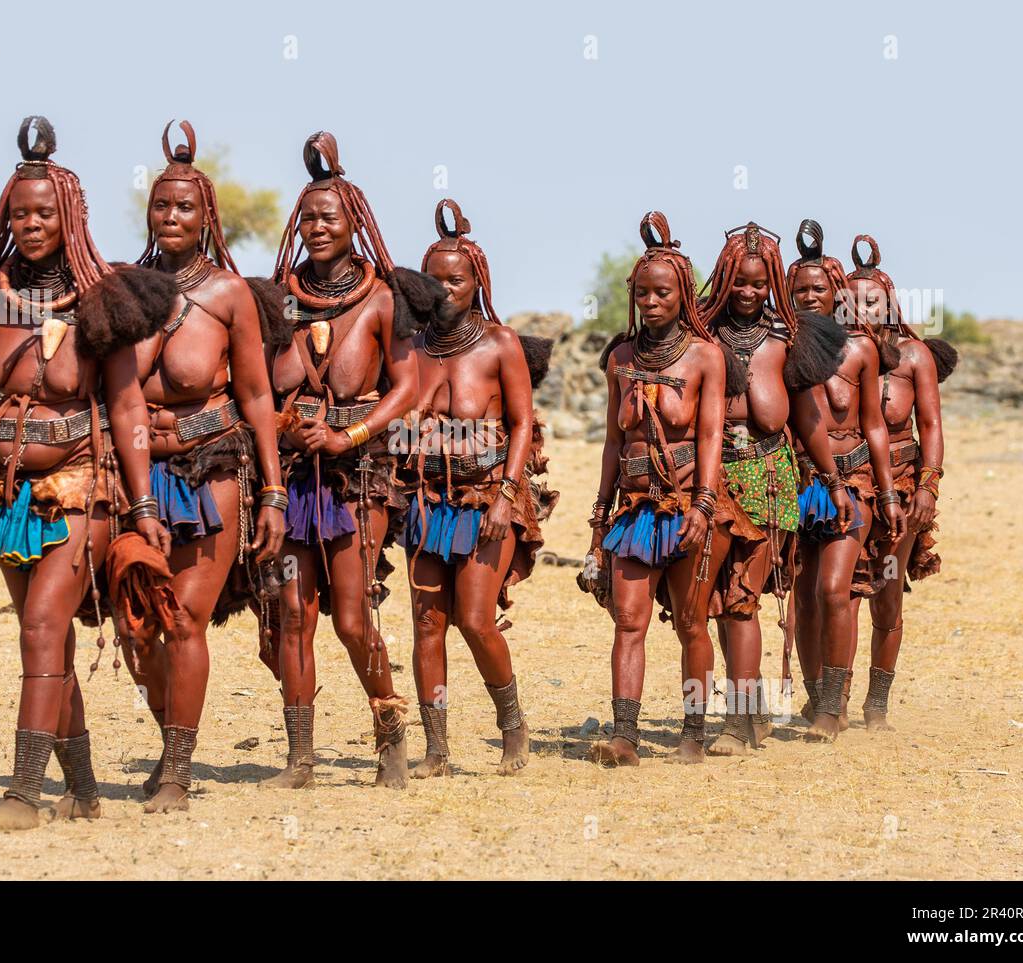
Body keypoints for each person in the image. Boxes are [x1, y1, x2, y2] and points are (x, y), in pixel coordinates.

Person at [0, 117, 172, 829]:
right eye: (18, 213)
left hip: (81, 489)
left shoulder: (104, 302)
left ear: (70, 217)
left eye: (43, 213)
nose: (29, 224)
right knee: (43, 634)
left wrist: (144, 509)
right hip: (5, 499)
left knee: (44, 624)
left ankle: (23, 792)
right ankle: (81, 789)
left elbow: (126, 409)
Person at [262, 132, 442, 789]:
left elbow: (408, 389)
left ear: (354, 223)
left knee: (349, 615)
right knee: (292, 610)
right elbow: (262, 383)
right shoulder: (279, 297)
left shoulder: (382, 299)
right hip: (294, 471)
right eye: (306, 217)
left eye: (328, 217)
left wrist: (349, 434)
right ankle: (300, 758)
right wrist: (289, 422)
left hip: (356, 474)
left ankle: (389, 734)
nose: (315, 228)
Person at [122, 121, 286, 811]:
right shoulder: (125, 289)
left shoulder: (229, 295)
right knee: (138, 626)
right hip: (138, 471)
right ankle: (171, 737)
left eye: (184, 206)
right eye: (161, 205)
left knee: (185, 617)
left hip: (213, 465)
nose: (171, 216)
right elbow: (114, 390)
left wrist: (274, 492)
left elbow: (255, 394)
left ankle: (176, 772)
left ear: (207, 216)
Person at [581, 212, 744, 766]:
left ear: (682, 297)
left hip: (690, 509)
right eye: (643, 293)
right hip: (632, 510)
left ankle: (693, 735)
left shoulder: (705, 356)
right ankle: (625, 738)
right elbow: (611, 441)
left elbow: (710, 435)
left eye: (663, 293)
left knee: (694, 623)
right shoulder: (621, 359)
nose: (651, 303)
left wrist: (703, 504)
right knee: (629, 620)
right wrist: (600, 513)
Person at [404, 199, 558, 777]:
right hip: (428, 502)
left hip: (487, 499)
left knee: (474, 618)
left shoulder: (499, 344)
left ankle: (513, 727)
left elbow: (523, 424)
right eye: (434, 281)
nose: (444, 290)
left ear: (477, 283)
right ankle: (436, 749)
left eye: (456, 280)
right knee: (426, 624)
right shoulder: (413, 348)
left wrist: (505, 496)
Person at [699, 223, 848, 754]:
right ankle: (752, 711)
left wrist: (833, 483)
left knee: (741, 596)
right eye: (739, 281)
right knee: (716, 598)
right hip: (714, 483)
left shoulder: (790, 340)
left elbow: (808, 420)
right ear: (722, 278)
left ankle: (741, 723)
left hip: (769, 479)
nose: (748, 292)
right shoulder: (702, 338)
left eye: (760, 284)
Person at [786, 219, 898, 734]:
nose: (809, 296)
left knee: (835, 590)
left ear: (838, 292)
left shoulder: (860, 349)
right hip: (793, 484)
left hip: (851, 484)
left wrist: (891, 492)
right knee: (804, 598)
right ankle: (816, 699)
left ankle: (835, 706)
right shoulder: (776, 348)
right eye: (799, 289)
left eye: (819, 288)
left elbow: (874, 423)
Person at [849, 235, 954, 730]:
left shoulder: (913, 357)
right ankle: (830, 701)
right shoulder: (836, 354)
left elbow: (930, 425)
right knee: (839, 591)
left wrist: (928, 488)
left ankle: (877, 705)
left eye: (872, 299)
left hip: (904, 485)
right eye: (852, 299)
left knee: (886, 594)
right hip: (849, 483)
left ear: (890, 302)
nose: (862, 307)